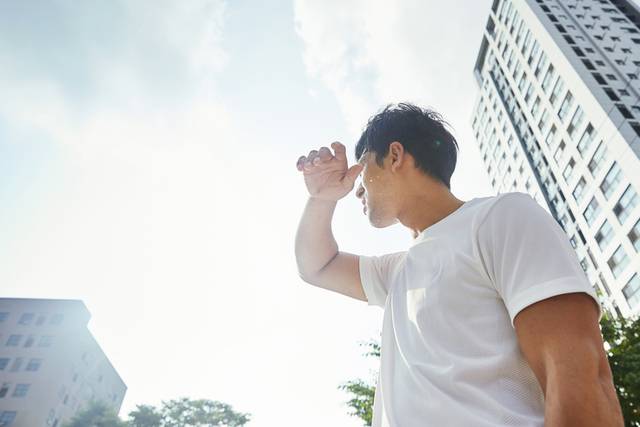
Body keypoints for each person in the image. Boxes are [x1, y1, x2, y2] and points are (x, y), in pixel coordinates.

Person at [294, 103, 623, 426]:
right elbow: (316, 266)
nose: (356, 188)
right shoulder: (396, 272)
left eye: (362, 166)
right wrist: (322, 199)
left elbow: (578, 374)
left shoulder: (500, 218)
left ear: (394, 155)